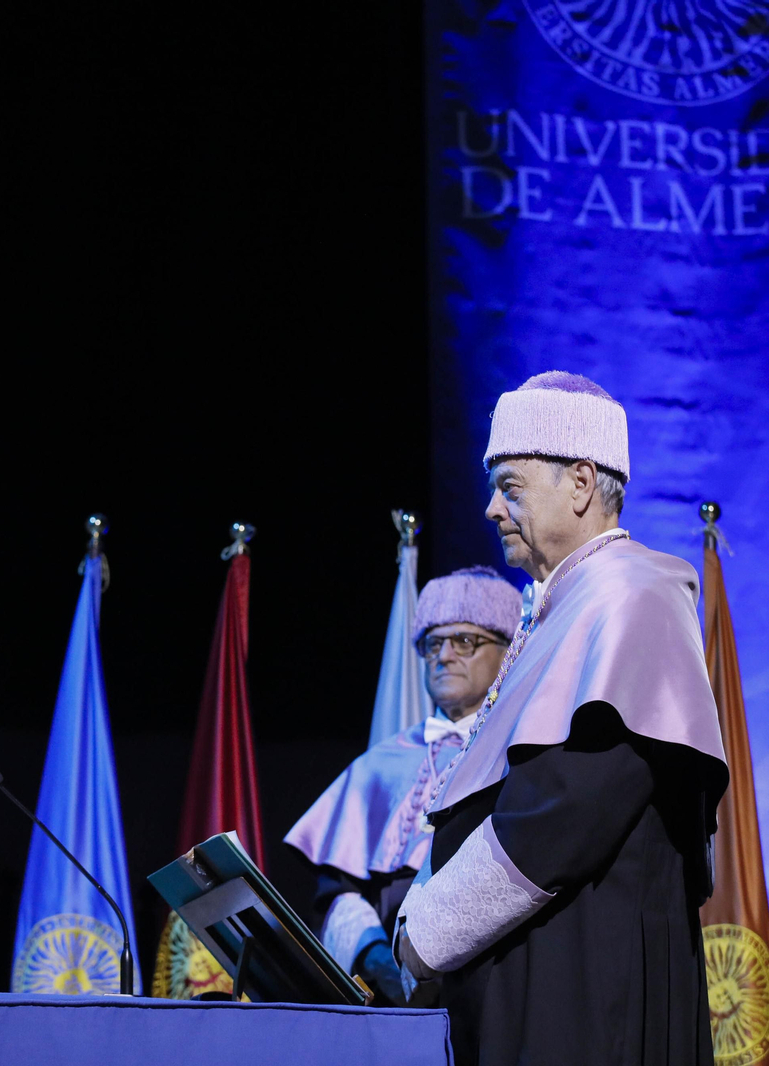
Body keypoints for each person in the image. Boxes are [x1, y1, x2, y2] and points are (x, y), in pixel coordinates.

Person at [395, 371, 729, 1064]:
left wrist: (426, 929)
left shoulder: (633, 596)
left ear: (580, 483)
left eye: (510, 486)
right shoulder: (561, 608)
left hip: (585, 996)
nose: (491, 509)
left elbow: (561, 811)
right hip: (541, 985)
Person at [285, 567, 522, 1006]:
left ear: (509, 650)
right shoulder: (380, 763)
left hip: (489, 980)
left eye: (465, 641)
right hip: (385, 990)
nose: (444, 655)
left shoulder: (521, 754)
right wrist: (378, 961)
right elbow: (337, 890)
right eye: (433, 643)